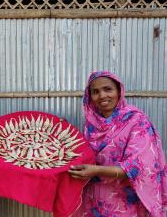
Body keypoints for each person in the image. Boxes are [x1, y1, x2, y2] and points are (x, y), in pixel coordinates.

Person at [68, 71, 167, 216]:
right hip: (94, 202)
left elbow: (136, 168)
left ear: (119, 91)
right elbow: (86, 158)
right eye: (95, 92)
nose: (102, 96)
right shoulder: (91, 125)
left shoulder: (137, 122)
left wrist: (95, 170)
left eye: (108, 89)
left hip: (124, 203)